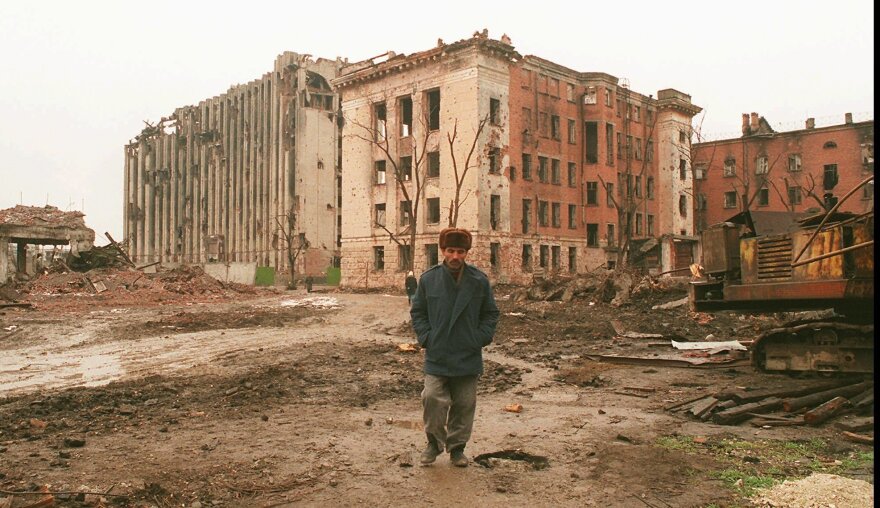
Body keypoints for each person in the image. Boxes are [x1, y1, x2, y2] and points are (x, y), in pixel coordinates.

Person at [410, 228, 500, 467]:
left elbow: (491, 313)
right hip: (437, 353)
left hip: (467, 353)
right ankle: (433, 443)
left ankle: (457, 448)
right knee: (431, 398)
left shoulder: (479, 281)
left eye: (460, 251)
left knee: (464, 403)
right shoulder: (429, 279)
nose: (455, 256)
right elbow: (418, 311)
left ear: (466, 253)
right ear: (442, 251)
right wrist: (427, 337)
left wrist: (479, 337)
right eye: (450, 250)